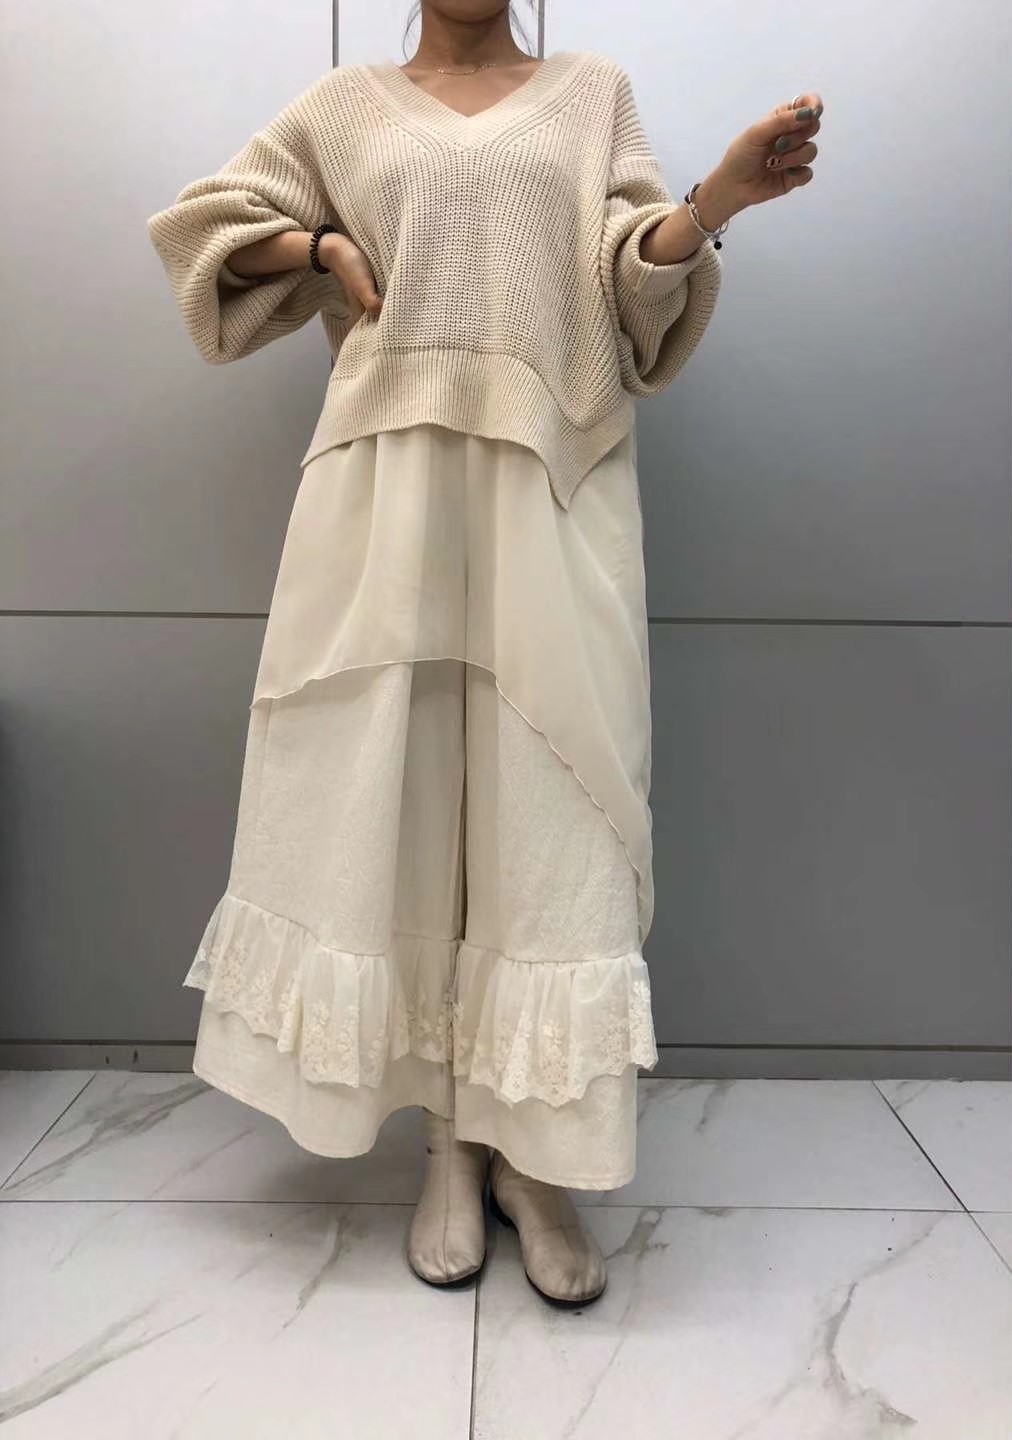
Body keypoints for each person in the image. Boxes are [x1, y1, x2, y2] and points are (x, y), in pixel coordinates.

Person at [147, 0, 822, 1307]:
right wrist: (319, 244)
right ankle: (450, 1143)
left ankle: (534, 1157)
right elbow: (202, 231)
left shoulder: (592, 94)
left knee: (550, 814)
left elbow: (630, 282)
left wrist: (716, 201)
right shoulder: (342, 107)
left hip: (552, 482)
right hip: (386, 485)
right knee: (395, 801)